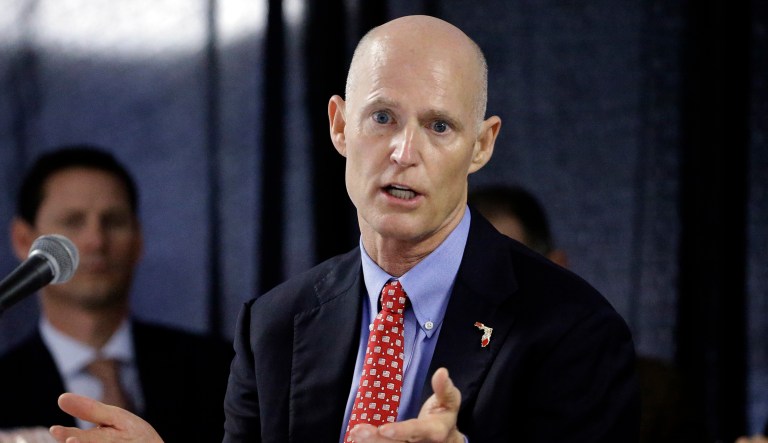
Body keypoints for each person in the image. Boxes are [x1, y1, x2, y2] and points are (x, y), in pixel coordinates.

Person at [49, 15, 639, 443]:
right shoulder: (274, 325)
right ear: (339, 126)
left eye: (439, 126)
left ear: (481, 146)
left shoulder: (574, 330)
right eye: (382, 117)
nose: (404, 152)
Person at [0, 146, 233, 442]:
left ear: (138, 239)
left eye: (114, 221)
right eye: (73, 221)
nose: (96, 240)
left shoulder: (220, 370)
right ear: (23, 240)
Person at [469, 184, 708, 443]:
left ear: (554, 267)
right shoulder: (442, 372)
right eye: (469, 273)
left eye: (506, 271)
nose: (487, 292)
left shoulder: (651, 392)